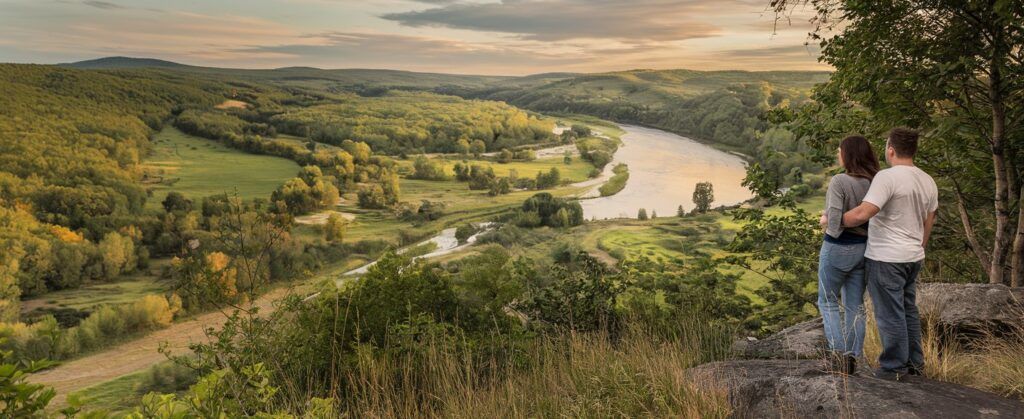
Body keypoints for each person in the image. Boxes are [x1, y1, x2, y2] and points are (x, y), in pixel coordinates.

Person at [842, 127, 938, 381]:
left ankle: (893, 368)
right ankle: (914, 365)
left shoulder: (887, 177)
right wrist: (919, 246)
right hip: (913, 256)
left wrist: (833, 220)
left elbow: (864, 212)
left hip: (887, 257)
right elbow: (930, 219)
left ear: (891, 150)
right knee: (908, 310)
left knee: (889, 314)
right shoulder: (927, 179)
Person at [817, 135, 879, 374]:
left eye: (839, 150)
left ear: (848, 154)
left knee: (828, 301)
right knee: (855, 305)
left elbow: (833, 224)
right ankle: (855, 356)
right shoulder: (875, 181)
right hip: (864, 248)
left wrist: (825, 219)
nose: (837, 154)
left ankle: (839, 354)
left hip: (838, 247)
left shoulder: (839, 181)